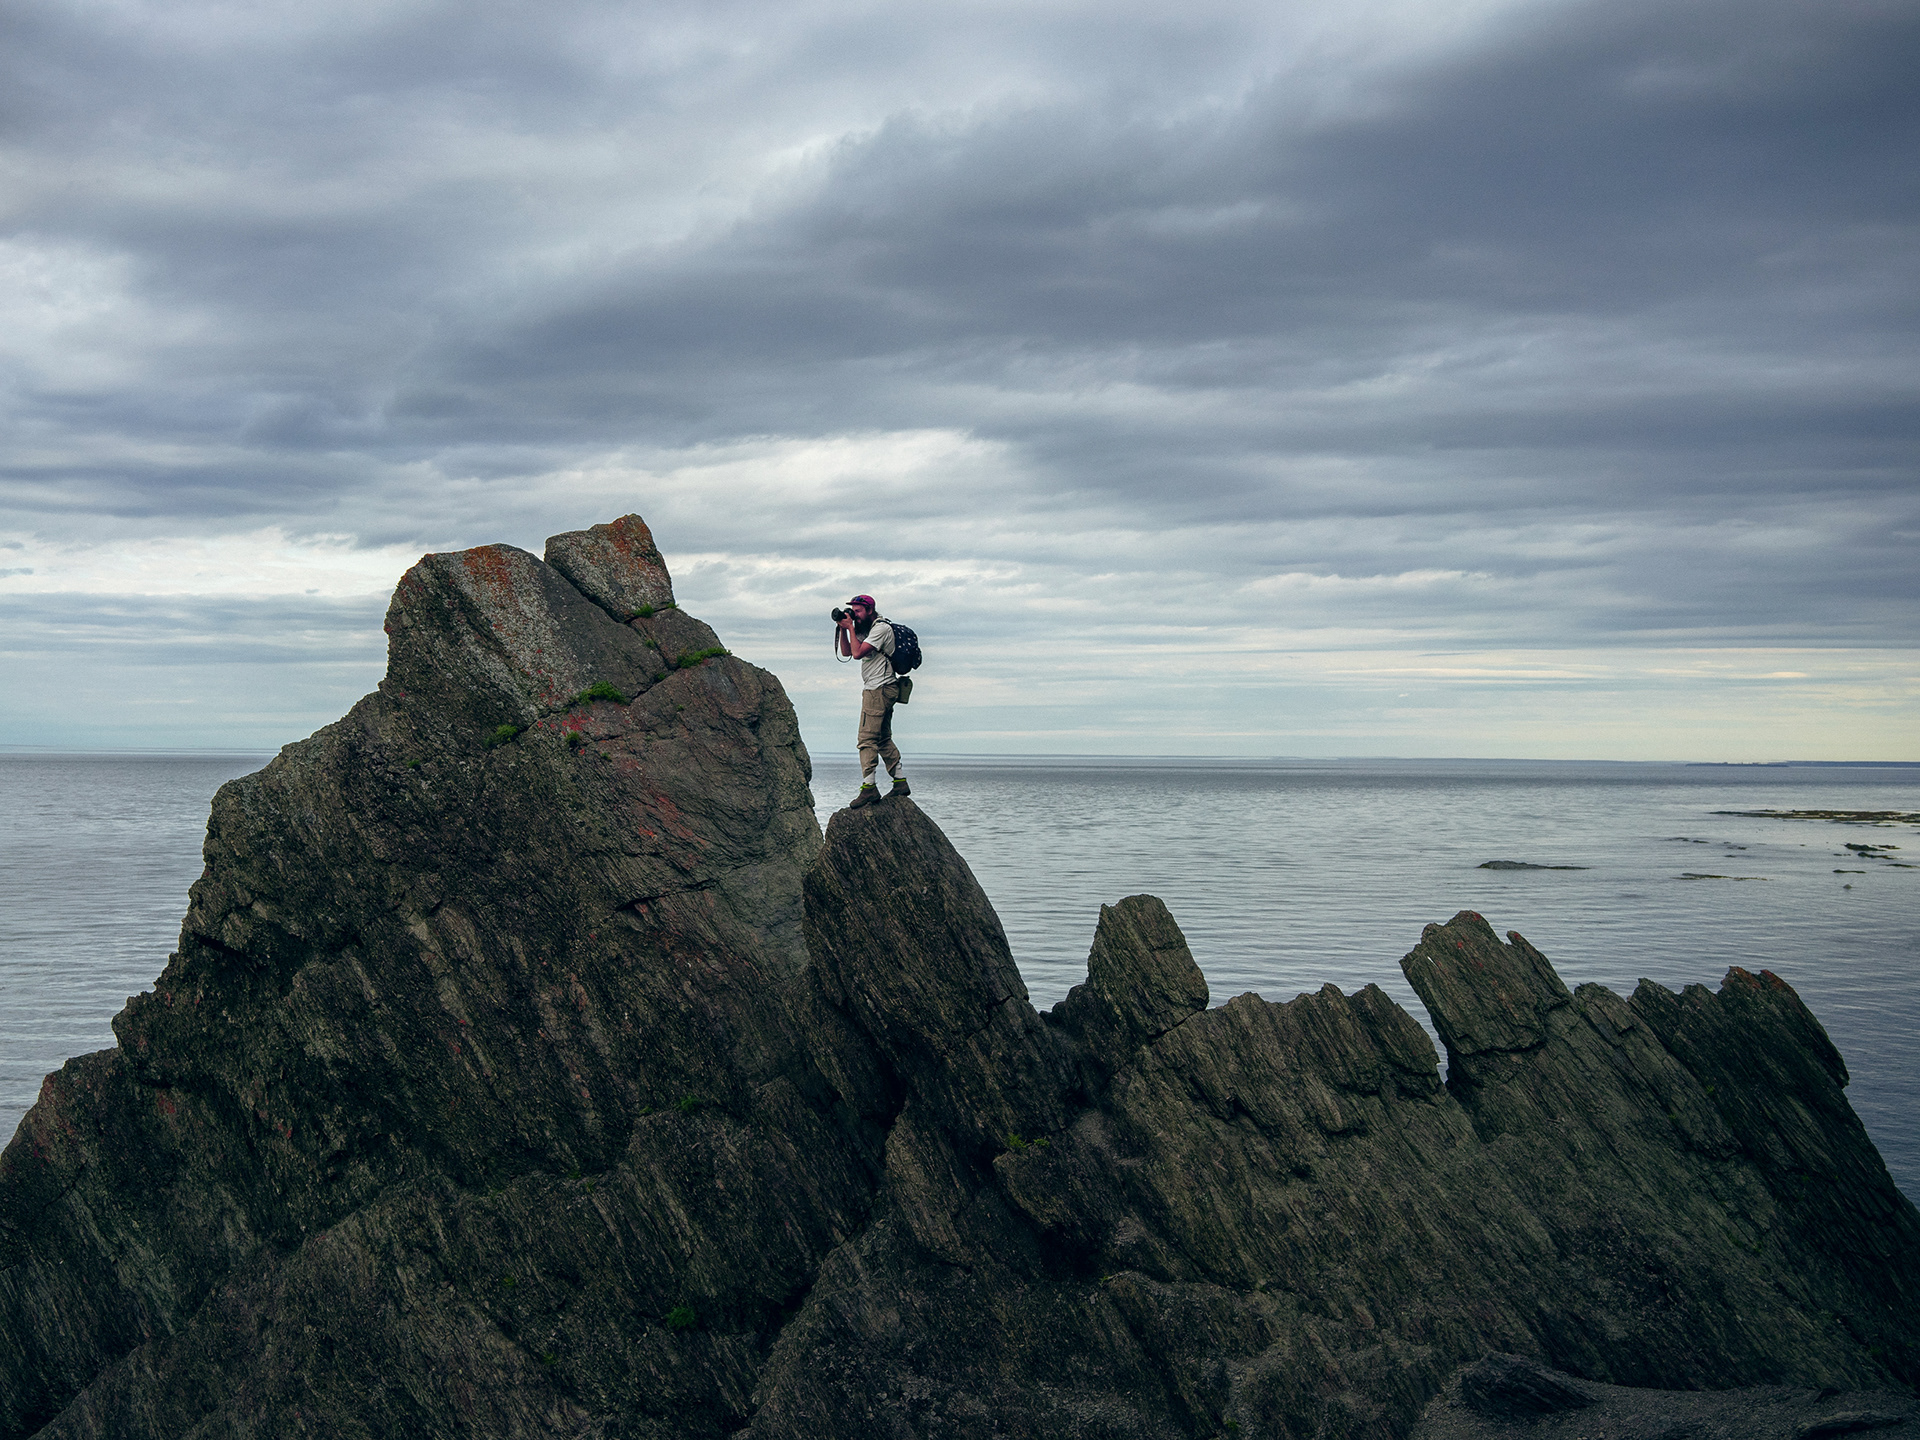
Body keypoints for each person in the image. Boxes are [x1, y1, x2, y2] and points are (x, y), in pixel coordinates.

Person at [836, 594, 908, 808]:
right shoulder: (864, 628)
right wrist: (843, 628)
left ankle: (869, 788)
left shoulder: (880, 629)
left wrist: (850, 628)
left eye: (858, 611)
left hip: (879, 689)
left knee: (866, 739)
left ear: (869, 610)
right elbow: (847, 651)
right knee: (883, 738)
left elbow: (857, 654)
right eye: (853, 611)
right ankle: (900, 782)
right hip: (879, 688)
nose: (854, 615)